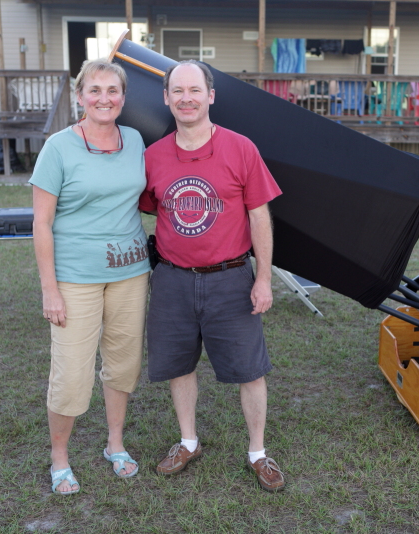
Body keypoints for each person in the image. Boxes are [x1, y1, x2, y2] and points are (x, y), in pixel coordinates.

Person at [139, 60, 285, 492]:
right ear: (166, 98)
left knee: (249, 370)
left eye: (195, 90)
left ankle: (257, 452)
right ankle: (188, 442)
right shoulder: (153, 156)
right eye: (177, 90)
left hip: (230, 278)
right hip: (173, 279)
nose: (186, 98)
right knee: (179, 366)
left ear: (211, 96)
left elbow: (260, 215)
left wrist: (263, 278)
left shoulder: (241, 148)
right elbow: (144, 208)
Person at [30, 59, 150, 495]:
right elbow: (41, 223)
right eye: (94, 90)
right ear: (80, 96)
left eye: (112, 91)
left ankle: (114, 444)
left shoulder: (134, 139)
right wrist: (50, 290)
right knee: (72, 372)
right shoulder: (58, 147)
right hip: (75, 277)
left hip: (130, 272)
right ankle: (59, 457)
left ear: (123, 97)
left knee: (122, 365)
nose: (104, 98)